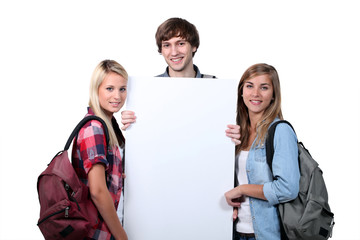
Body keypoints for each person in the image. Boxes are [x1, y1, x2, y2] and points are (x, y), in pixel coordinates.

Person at [121, 17, 240, 143]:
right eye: (167, 45)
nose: (174, 52)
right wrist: (133, 122)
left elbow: (218, 134)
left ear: (194, 46)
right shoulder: (147, 90)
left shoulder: (216, 86)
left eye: (181, 43)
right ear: (161, 50)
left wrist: (234, 135)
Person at [224, 63, 300, 240]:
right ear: (241, 91)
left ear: (273, 95)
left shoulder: (280, 131)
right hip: (234, 232)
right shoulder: (236, 132)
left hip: (266, 234)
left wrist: (242, 189)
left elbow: (287, 188)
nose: (255, 93)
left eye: (264, 87)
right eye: (249, 86)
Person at [72, 60, 128, 240]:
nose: (117, 96)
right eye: (109, 89)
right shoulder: (95, 127)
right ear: (97, 90)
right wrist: (122, 237)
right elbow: (97, 191)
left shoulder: (109, 125)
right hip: (97, 232)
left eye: (122, 89)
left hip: (105, 228)